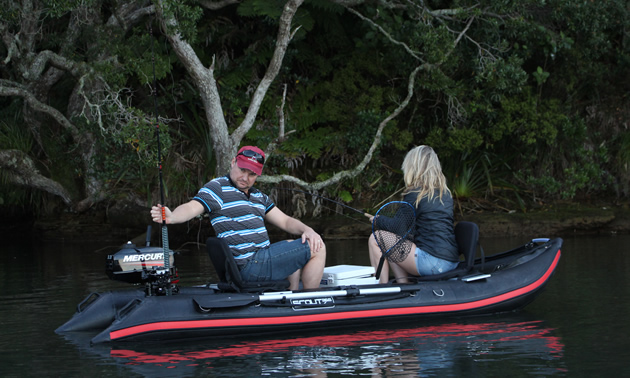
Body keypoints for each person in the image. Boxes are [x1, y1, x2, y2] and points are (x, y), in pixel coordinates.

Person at [150, 146, 326, 290]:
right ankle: (309, 299)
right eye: (242, 170)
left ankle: (290, 297)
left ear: (258, 175)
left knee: (290, 243)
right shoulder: (217, 188)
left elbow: (286, 221)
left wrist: (307, 230)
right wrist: (172, 217)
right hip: (251, 266)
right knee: (318, 248)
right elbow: (192, 207)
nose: (245, 178)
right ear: (233, 162)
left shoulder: (259, 197)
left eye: (252, 174)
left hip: (260, 260)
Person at [367, 145, 459, 283]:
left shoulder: (415, 194)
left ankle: (382, 289)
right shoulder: (444, 194)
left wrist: (377, 220)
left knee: (376, 238)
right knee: (393, 241)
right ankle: (403, 285)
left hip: (432, 263)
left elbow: (397, 226)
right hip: (451, 261)